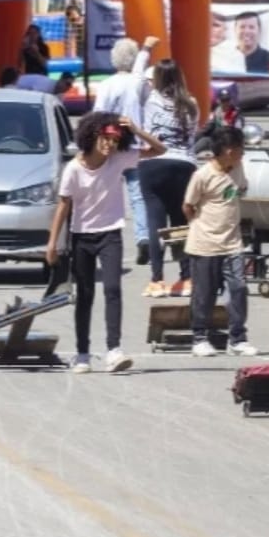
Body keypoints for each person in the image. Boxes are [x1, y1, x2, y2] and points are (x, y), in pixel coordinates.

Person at [46, 112, 167, 374]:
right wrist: (52, 243)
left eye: (114, 139)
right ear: (92, 136)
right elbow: (63, 205)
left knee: (112, 289)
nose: (109, 144)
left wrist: (134, 129)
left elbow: (159, 149)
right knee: (85, 295)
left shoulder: (119, 160)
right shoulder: (74, 169)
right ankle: (82, 353)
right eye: (105, 137)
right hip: (82, 236)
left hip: (110, 233)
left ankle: (114, 350)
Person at [182, 125, 256, 357]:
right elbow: (188, 206)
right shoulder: (202, 175)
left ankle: (237, 338)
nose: (243, 153)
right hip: (205, 244)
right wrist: (200, 227)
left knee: (239, 288)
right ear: (227, 150)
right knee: (204, 294)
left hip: (232, 242)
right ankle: (200, 338)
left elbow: (241, 190)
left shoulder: (238, 167)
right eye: (240, 149)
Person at [139, 59, 201, 298]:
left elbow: (149, 135)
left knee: (155, 223)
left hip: (154, 164)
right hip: (184, 163)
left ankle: (157, 280)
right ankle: (186, 278)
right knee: (180, 223)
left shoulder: (152, 100)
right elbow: (192, 137)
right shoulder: (192, 104)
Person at [93, 35, 155, 264]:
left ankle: (103, 237)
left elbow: (98, 115)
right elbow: (141, 71)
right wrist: (146, 48)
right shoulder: (138, 82)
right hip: (134, 146)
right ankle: (142, 237)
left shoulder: (107, 85)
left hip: (110, 146)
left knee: (105, 194)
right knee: (138, 196)